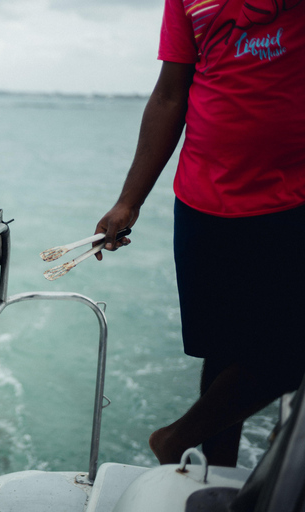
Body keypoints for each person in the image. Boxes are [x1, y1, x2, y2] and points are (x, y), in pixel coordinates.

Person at [94, 0, 305, 467]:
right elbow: (171, 93)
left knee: (287, 353)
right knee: (226, 350)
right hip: (202, 199)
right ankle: (212, 473)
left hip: (292, 198)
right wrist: (130, 200)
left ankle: (174, 441)